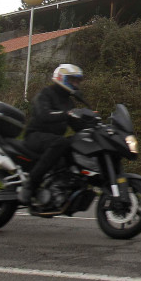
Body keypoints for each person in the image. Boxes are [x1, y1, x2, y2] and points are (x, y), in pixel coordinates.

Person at [17, 64, 84, 205]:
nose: (76, 84)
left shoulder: (69, 102)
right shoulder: (46, 93)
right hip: (35, 135)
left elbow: (76, 125)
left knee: (74, 144)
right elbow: (43, 115)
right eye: (73, 80)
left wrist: (92, 125)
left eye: (77, 81)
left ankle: (61, 186)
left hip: (53, 140)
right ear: (61, 78)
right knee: (61, 142)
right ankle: (30, 184)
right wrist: (66, 114)